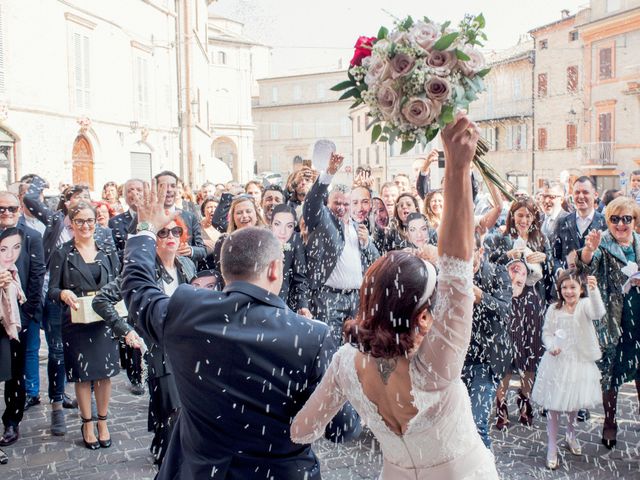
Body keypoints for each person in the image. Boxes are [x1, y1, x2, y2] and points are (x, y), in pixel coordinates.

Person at [291, 114, 499, 479]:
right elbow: (458, 267)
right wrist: (457, 167)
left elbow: (301, 431)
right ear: (422, 315)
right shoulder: (438, 362)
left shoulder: (344, 363)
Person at [121, 189, 353, 479]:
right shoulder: (311, 336)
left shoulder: (187, 310)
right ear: (273, 270)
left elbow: (138, 290)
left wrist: (145, 229)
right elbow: (341, 428)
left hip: (201, 471)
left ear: (224, 269)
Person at [94, 217, 194, 464]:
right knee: (172, 407)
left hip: (187, 348)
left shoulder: (187, 266)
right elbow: (101, 301)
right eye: (162, 232)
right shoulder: (143, 271)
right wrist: (126, 330)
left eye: (176, 230)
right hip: (158, 348)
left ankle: (163, 445)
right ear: (152, 241)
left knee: (180, 405)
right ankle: (170, 459)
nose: (170, 235)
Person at [47, 202, 120, 450]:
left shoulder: (107, 249)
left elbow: (120, 280)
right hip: (77, 319)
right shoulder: (62, 253)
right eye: (80, 221)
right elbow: (52, 290)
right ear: (72, 224)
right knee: (83, 374)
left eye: (90, 220)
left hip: (104, 318)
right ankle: (87, 422)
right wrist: (63, 293)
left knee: (104, 373)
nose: (86, 226)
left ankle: (103, 421)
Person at [576, 196, 640, 449]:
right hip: (613, 321)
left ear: (635, 221)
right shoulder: (602, 243)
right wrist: (590, 249)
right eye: (615, 219)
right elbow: (587, 265)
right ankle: (610, 422)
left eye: (627, 218)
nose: (621, 224)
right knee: (610, 375)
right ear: (608, 221)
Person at [485, 197, 553, 428]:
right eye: (520, 215)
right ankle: (501, 404)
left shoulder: (541, 240)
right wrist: (507, 257)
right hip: (508, 301)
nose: (524, 220)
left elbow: (553, 273)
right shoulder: (500, 238)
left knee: (530, 353)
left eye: (528, 215)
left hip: (532, 301)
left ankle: (525, 400)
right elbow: (488, 265)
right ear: (512, 216)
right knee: (506, 352)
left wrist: (545, 259)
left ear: (535, 218)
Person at [531, 270, 605, 469]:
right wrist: (550, 345)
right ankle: (552, 445)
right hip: (557, 361)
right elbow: (546, 332)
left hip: (578, 361)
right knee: (554, 406)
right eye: (564, 287)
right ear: (559, 289)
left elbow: (599, 313)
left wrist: (594, 290)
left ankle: (571, 435)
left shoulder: (584, 306)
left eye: (573, 287)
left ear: (581, 289)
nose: (568, 291)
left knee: (574, 403)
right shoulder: (554, 309)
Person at [303, 154, 379, 346]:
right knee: (330, 348)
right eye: (337, 203)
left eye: (346, 203)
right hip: (329, 298)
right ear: (328, 204)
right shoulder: (323, 221)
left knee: (356, 350)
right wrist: (328, 174)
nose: (342, 207)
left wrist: (367, 243)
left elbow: (376, 261)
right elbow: (312, 202)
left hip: (356, 298)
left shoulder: (357, 227)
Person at [0, 193, 45, 446]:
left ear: (19, 209)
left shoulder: (32, 237)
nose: (6, 212)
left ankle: (12, 421)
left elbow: (37, 276)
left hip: (19, 315)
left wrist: (28, 314)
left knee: (16, 372)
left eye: (11, 208)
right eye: (1, 209)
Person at [463, 231, 512, 449]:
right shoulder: (450, 275)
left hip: (487, 360)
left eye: (468, 252)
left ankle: (485, 470)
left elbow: (505, 309)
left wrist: (481, 296)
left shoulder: (497, 273)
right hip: (457, 361)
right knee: (456, 424)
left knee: (477, 422)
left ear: (480, 251)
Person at [553, 176, 606, 272]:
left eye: (585, 192)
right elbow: (554, 255)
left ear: (595, 195)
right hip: (568, 283)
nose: (581, 196)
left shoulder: (605, 223)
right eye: (577, 192)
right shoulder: (562, 222)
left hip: (594, 284)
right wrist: (559, 271)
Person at [154, 171, 206, 264]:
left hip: (184, 273)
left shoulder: (190, 217)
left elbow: (202, 250)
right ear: (156, 189)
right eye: (163, 186)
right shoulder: (147, 217)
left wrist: (191, 250)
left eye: (173, 186)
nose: (169, 189)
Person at [269, 204, 310, 317]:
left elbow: (300, 278)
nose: (283, 231)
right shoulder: (262, 239)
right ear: (270, 224)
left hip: (284, 303)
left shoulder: (296, 240)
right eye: (277, 224)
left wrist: (303, 305)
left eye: (289, 226)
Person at [108, 179, 144, 264]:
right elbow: (113, 255)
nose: (135, 193)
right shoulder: (114, 222)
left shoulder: (156, 218)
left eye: (139, 190)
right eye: (130, 190)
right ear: (125, 197)